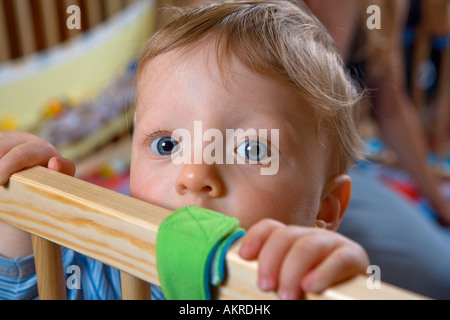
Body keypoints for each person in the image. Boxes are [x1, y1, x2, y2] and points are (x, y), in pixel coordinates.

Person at [0, 0, 370, 300]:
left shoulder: (293, 287)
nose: (194, 175)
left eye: (254, 150)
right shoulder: (109, 265)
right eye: (167, 144)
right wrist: (19, 208)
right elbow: (29, 288)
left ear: (325, 208)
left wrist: (336, 281)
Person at [304, 0, 450, 299]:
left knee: (442, 274)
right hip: (253, 166)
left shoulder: (377, 9)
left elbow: (392, 110)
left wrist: (439, 203)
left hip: (337, 172)